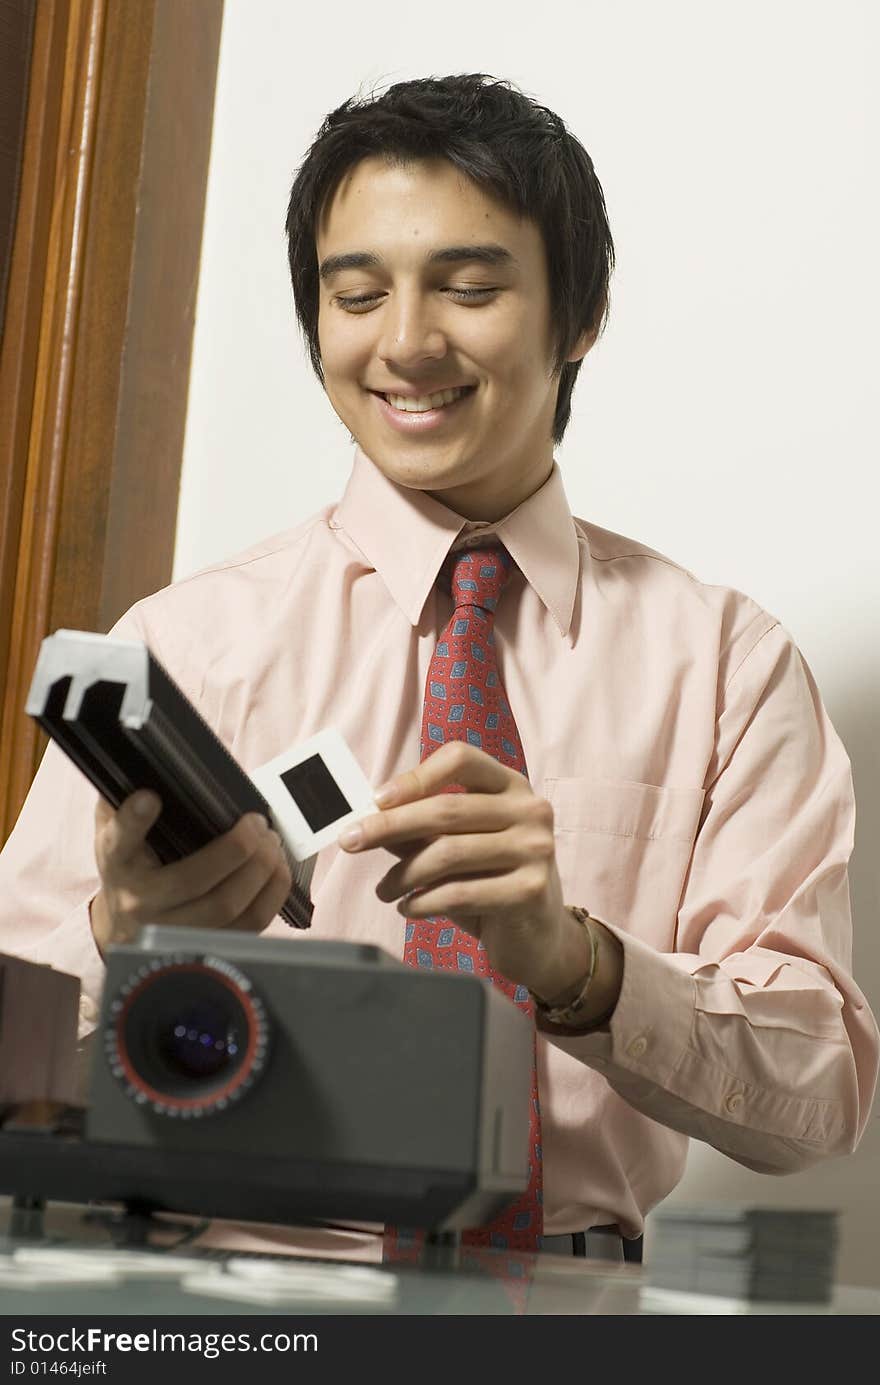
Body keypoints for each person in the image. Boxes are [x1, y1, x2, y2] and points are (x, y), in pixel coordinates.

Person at [0, 74, 877, 1266]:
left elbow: (819, 1092)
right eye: (355, 293)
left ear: (579, 314)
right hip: (224, 1301)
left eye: (468, 286)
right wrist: (123, 931)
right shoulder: (184, 646)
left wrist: (574, 962)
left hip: (567, 1312)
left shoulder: (726, 665)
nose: (406, 341)